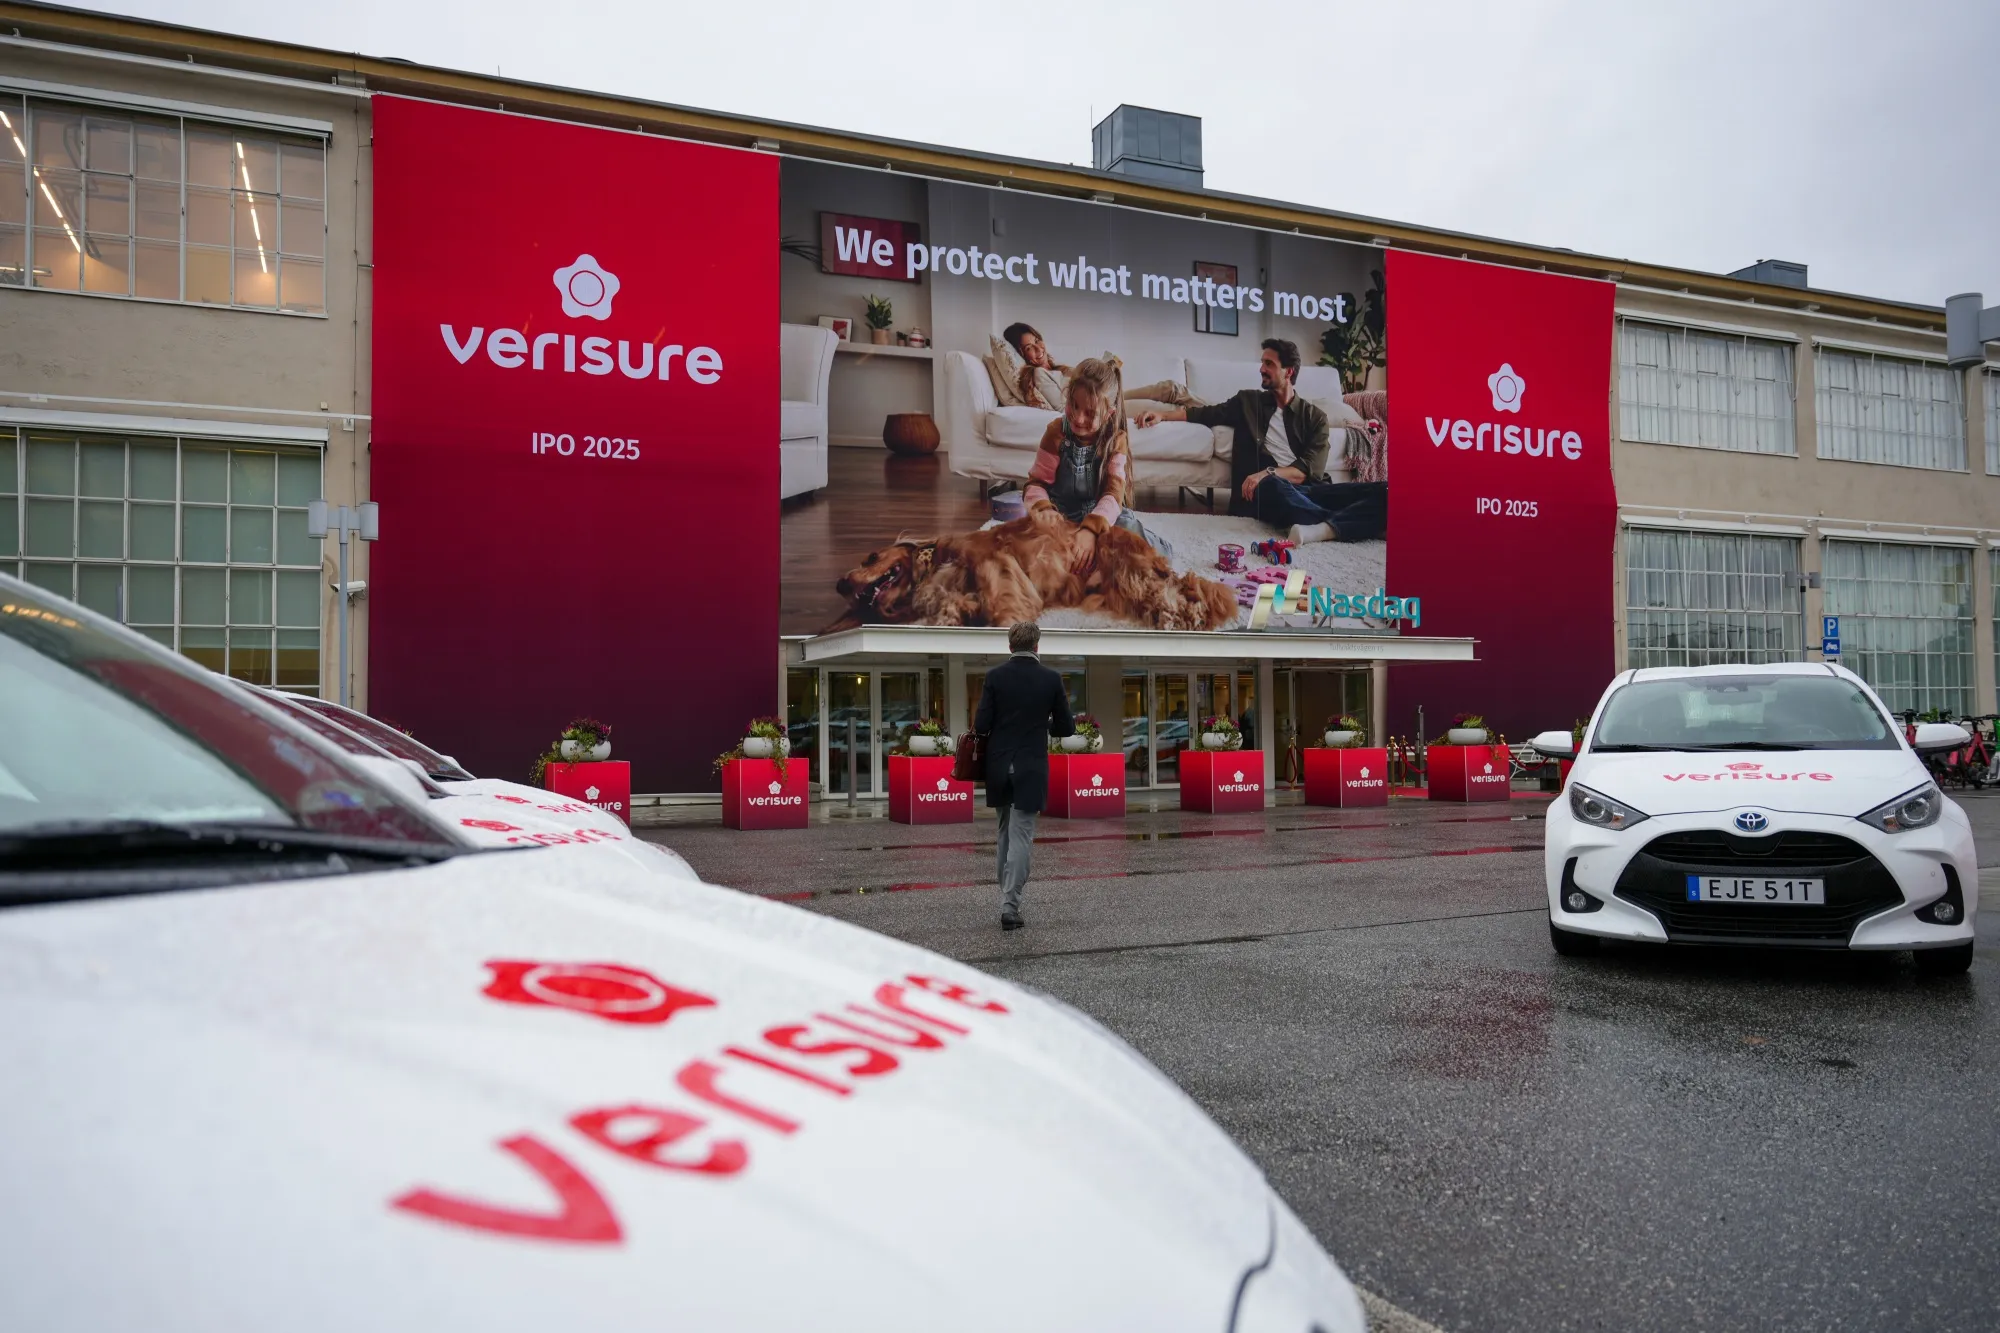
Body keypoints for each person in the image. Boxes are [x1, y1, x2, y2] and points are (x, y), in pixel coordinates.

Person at [1138, 338, 1387, 544]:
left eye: (1269, 363)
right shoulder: (1248, 402)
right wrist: (1163, 415)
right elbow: (1204, 413)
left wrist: (1265, 472)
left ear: (1288, 372)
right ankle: (1351, 523)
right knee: (1272, 484)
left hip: (1311, 491)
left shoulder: (1315, 418)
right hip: (1265, 494)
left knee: (1387, 490)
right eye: (1262, 362)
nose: (1261, 369)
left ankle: (1327, 527)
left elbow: (1307, 471)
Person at [1022, 357, 1171, 573]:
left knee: (1131, 538)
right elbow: (1035, 484)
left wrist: (1091, 530)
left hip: (1103, 515)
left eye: (1090, 413)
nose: (1078, 418)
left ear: (1108, 413)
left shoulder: (1115, 439)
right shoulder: (1056, 431)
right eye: (1073, 406)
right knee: (1030, 548)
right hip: (1061, 515)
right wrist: (1045, 512)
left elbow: (1113, 494)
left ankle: (1158, 546)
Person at [973, 620, 1075, 930]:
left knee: (1005, 831)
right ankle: (1010, 905)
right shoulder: (1051, 679)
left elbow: (981, 725)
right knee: (1020, 835)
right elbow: (1066, 727)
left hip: (999, 767)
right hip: (1031, 767)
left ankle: (1005, 892)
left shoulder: (994, 677)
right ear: (1036, 646)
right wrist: (1041, 723)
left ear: (1009, 646)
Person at [1003, 322, 1199, 414]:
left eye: (1038, 340)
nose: (1039, 348)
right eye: (1029, 348)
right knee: (1166, 405)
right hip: (1100, 405)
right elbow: (1063, 408)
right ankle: (1215, 416)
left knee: (1170, 388)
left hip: (1108, 394)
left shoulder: (1061, 369)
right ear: (1022, 355)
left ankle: (1217, 412)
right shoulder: (1039, 374)